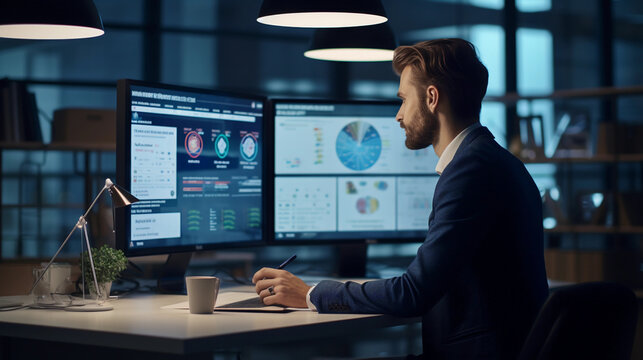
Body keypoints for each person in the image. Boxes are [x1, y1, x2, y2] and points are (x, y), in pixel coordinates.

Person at [253, 38, 548, 359]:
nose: (398, 115)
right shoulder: (495, 160)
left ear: (432, 98)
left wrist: (311, 293)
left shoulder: (470, 170)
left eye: (404, 100)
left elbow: (413, 293)